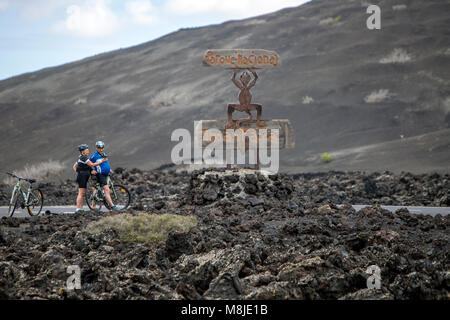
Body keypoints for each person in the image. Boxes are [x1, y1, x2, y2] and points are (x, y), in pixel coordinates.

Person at [72, 144, 108, 214]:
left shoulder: (81, 157)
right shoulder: (84, 158)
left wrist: (79, 172)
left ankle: (80, 208)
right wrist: (102, 161)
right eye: (87, 150)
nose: (88, 152)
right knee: (81, 193)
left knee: (82, 193)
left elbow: (74, 166)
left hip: (83, 176)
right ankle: (78, 208)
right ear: (83, 152)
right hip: (82, 177)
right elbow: (92, 164)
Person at [90, 141, 120, 211]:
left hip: (106, 174)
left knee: (99, 189)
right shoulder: (94, 156)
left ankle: (93, 205)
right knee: (106, 189)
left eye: (102, 148)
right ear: (96, 148)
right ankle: (112, 206)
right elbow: (88, 163)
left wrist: (110, 169)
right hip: (100, 174)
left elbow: (105, 163)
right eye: (99, 148)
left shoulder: (104, 154)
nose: (101, 149)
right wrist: (91, 170)